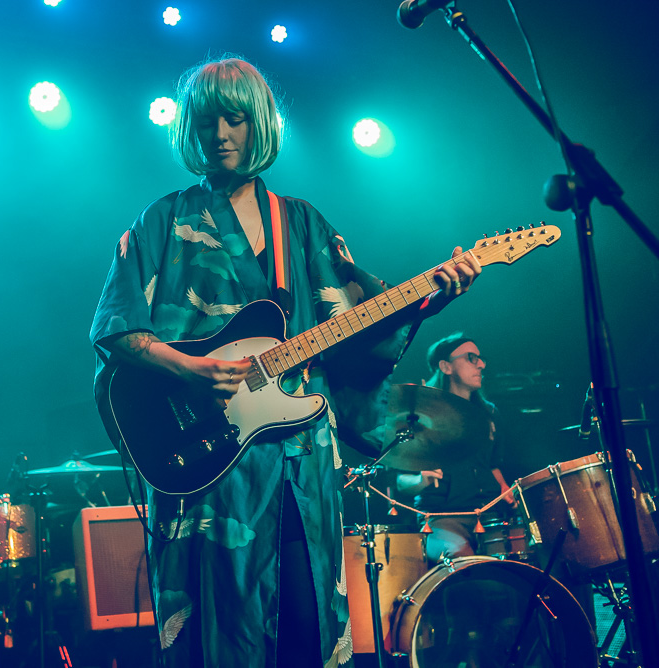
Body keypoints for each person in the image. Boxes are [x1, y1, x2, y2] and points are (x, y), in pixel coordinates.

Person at [89, 56, 481, 667]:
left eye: (235, 119)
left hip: (302, 466)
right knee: (218, 628)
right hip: (209, 465)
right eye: (205, 121)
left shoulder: (303, 224)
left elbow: (363, 328)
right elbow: (116, 332)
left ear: (259, 125)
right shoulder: (161, 222)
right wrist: (191, 369)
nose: (219, 134)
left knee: (304, 617)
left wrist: (429, 301)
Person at [397, 333, 515, 562]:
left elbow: (492, 464)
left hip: (488, 512)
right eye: (471, 358)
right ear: (446, 366)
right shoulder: (419, 415)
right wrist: (421, 481)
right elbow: (400, 481)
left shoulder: (489, 413)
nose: (481, 364)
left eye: (480, 358)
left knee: (515, 563)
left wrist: (503, 487)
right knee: (463, 561)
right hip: (442, 519)